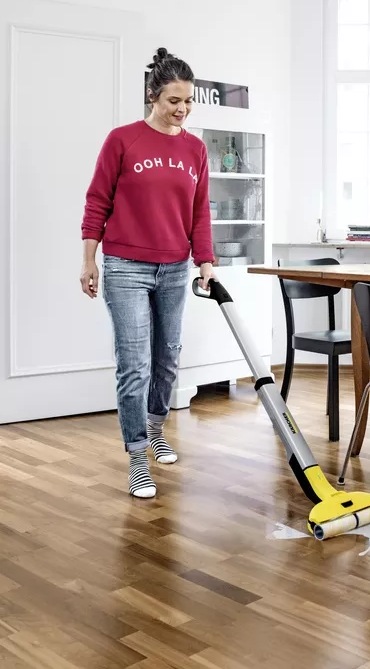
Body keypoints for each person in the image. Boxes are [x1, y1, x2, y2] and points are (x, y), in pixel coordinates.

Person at [79, 47, 215, 499]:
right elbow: (97, 201)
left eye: (188, 101)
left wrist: (205, 260)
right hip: (125, 267)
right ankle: (137, 455)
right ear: (152, 96)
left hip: (176, 267)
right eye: (175, 100)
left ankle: (156, 429)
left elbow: (200, 212)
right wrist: (88, 259)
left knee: (168, 357)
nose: (182, 109)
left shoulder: (195, 149)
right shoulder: (123, 140)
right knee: (133, 365)